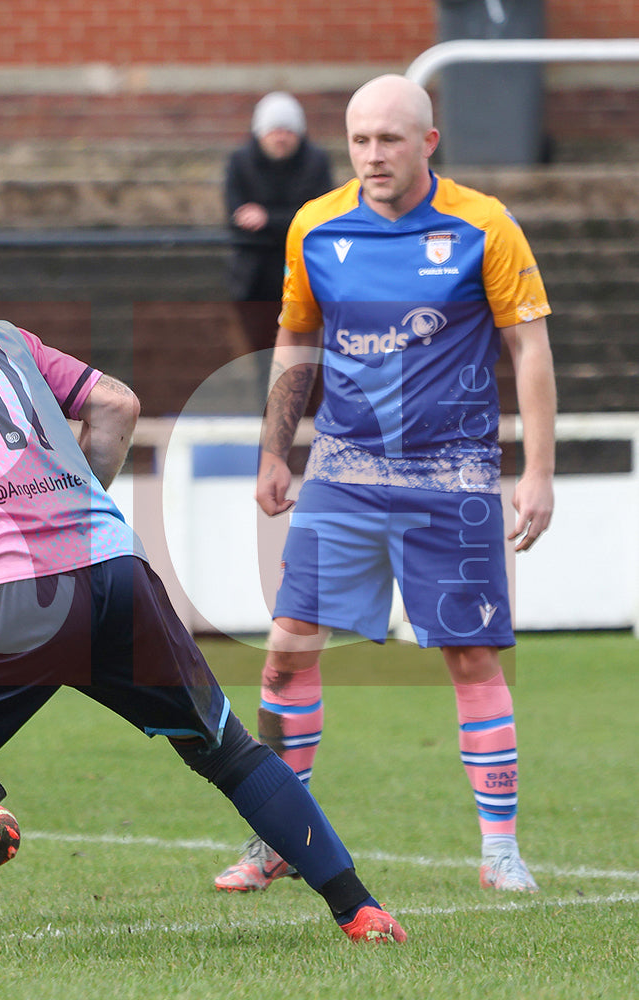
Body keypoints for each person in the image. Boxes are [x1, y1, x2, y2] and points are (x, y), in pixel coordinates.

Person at [0, 219, 405, 944]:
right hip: (116, 570)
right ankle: (360, 908)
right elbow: (117, 403)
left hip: (9, 591)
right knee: (228, 749)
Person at [212, 74, 556, 895]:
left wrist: (538, 471)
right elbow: (296, 341)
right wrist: (274, 451)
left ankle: (501, 852)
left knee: (472, 657)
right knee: (287, 648)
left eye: (390, 139)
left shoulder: (485, 225)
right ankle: (278, 839)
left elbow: (530, 349)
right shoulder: (317, 226)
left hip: (454, 473)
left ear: (428, 143)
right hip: (345, 470)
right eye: (361, 139)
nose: (373, 155)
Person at [224, 92, 335, 405]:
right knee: (263, 358)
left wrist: (267, 219)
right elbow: (236, 215)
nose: (281, 138)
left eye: (288, 131)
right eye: (274, 131)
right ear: (260, 133)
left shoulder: (315, 162)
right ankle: (268, 414)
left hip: (304, 276)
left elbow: (318, 218)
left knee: (306, 355)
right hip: (254, 280)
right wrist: (287, 222)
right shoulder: (240, 162)